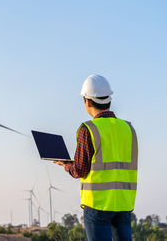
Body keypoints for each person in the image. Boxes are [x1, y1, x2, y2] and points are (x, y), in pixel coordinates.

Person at [54, 74, 138, 241]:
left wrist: (67, 166)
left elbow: (80, 170)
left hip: (98, 205)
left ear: (87, 101)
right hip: (123, 204)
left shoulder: (88, 129)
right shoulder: (128, 129)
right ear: (109, 99)